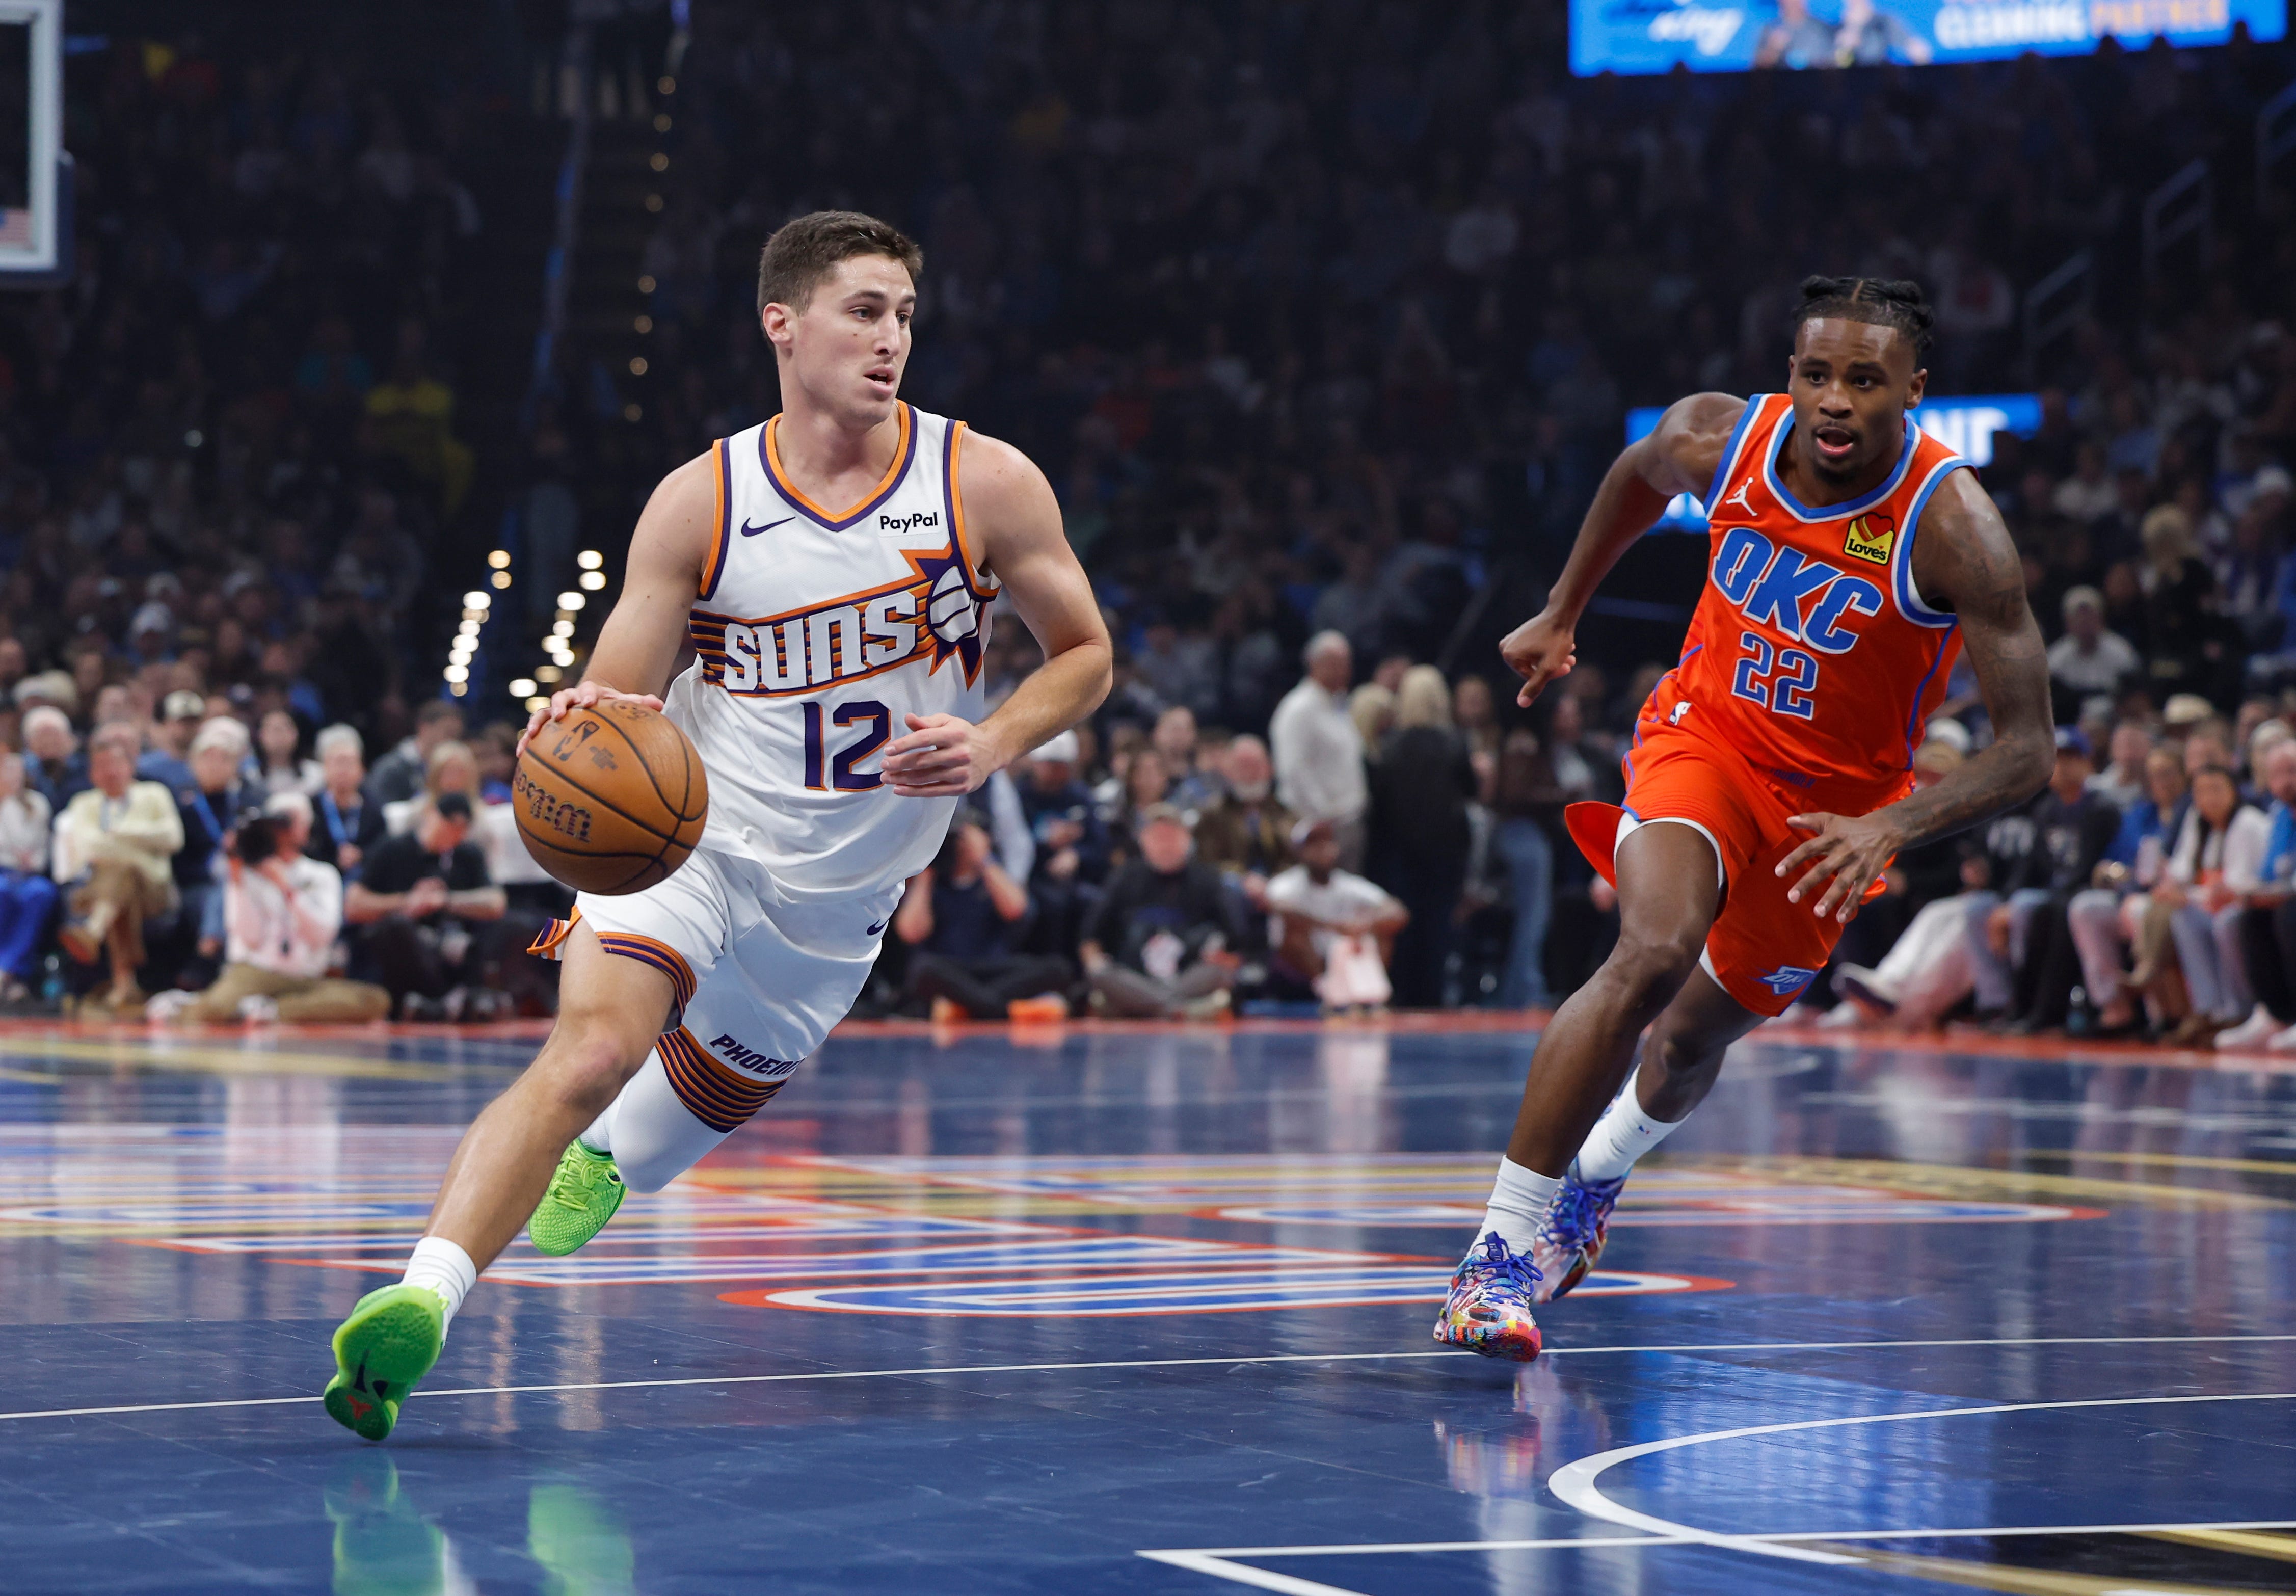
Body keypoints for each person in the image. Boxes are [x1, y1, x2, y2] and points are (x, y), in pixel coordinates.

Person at [322, 210, 1111, 1441]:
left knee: (690, 1108)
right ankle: (418, 1302)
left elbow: (1087, 654)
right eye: (862, 310)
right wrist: (573, 725)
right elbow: (617, 699)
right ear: (780, 325)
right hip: (688, 845)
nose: (890, 337)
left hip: (847, 893)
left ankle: (619, 1164)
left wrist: (997, 737)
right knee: (585, 1054)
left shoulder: (985, 482)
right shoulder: (703, 499)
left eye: (903, 314)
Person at [1436, 277, 2052, 1362]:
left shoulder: (1954, 527)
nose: (1834, 399)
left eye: (1865, 380)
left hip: (1834, 823)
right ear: (1791, 375)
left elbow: (2028, 752)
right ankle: (1494, 1259)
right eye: (1817, 372)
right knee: (1654, 951)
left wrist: (1893, 828)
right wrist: (1563, 608)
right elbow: (1636, 475)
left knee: (1688, 1042)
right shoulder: (1722, 439)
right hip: (1703, 744)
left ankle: (1598, 1179)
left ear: (1913, 390)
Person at [182, 791, 390, 1024]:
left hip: (306, 979)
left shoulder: (322, 874)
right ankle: (246, 1007)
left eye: (291, 822)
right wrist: (237, 877)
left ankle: (270, 1010)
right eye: (278, 823)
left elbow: (323, 936)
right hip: (255, 973)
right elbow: (250, 937)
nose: (283, 831)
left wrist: (288, 890)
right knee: (215, 1010)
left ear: (306, 827)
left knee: (374, 1000)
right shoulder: (246, 874)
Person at [52, 723, 185, 1014]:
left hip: (154, 887)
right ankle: (126, 986)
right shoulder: (84, 802)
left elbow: (174, 838)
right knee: (119, 884)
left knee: (119, 876)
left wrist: (118, 836)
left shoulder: (154, 794)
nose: (111, 772)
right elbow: (89, 848)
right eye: (102, 766)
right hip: (100, 887)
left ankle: (93, 933)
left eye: (117, 764)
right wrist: (142, 845)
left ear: (131, 767)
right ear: (92, 773)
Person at [1366, 664, 1478, 1007]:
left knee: (1404, 925)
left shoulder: (1390, 746)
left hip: (1398, 851)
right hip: (1445, 852)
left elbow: (1379, 804)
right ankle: (1433, 995)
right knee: (1438, 926)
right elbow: (1471, 792)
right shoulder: (1455, 744)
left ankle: (1400, 993)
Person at [894, 808, 1070, 1021]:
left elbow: (1017, 910)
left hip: (995, 968)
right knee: (921, 970)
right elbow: (910, 932)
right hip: (950, 969)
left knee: (1058, 968)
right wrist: (927, 866)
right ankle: (1006, 1010)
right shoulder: (933, 880)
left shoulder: (992, 873)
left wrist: (984, 859)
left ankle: (965, 1007)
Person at [343, 793, 505, 1018]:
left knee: (504, 927)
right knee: (395, 927)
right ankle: (441, 1001)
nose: (451, 834)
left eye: (459, 829)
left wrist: (446, 901)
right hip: (401, 956)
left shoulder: (467, 855)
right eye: (447, 825)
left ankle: (464, 998)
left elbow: (496, 903)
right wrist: (407, 902)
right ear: (431, 815)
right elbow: (353, 904)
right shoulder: (393, 849)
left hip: (445, 950)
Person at [1080, 804, 1240, 1018]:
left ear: (1186, 840)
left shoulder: (1207, 879)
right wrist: (1096, 963)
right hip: (1134, 978)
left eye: (1171, 837)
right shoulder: (1125, 877)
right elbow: (1090, 937)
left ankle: (1146, 1007)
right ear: (1143, 840)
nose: (1166, 845)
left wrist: (1220, 955)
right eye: (1158, 837)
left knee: (1219, 974)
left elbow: (1235, 939)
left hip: (1187, 978)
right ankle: (1178, 1010)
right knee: (1101, 974)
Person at [2154, 764, 2267, 1044]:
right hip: (2211, 906)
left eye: (2216, 790)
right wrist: (2173, 887)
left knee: (2226, 922)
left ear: (2234, 792)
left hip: (2249, 908)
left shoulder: (2249, 822)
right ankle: (2208, 1010)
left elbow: (2236, 887)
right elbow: (2182, 869)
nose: (2209, 799)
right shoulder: (2198, 821)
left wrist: (2188, 894)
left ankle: (2240, 1009)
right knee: (2184, 918)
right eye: (2201, 792)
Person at [1265, 818, 1409, 1010]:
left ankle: (1372, 995)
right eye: (1314, 845)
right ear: (1300, 851)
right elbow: (1278, 907)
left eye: (1327, 843)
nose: (1323, 850)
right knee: (1296, 930)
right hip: (1302, 964)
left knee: (1380, 928)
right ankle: (1325, 990)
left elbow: (1397, 911)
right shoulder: (1288, 884)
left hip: (1343, 957)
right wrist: (1334, 926)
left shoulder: (1349, 884)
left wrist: (1365, 924)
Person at [2219, 740, 2296, 1050]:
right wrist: (2246, 892)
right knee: (2251, 916)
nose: (2285, 782)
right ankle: (2276, 1013)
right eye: (2277, 774)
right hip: (2286, 899)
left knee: (2288, 915)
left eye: (2292, 771)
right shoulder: (2279, 816)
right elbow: (2268, 876)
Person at [1269, 631, 1367, 869]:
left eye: (1346, 664)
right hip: (1320, 828)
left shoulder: (1339, 704)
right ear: (1314, 664)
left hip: (1350, 822)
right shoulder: (1298, 709)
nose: (1343, 671)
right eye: (1335, 664)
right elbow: (1293, 770)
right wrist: (1322, 818)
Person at [175, 717, 254, 972]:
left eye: (224, 759)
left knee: (232, 886)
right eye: (208, 758)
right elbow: (177, 862)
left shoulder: (249, 798)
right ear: (193, 763)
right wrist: (210, 869)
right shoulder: (183, 804)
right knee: (222, 892)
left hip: (248, 878)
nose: (215, 766)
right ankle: (226, 966)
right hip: (200, 883)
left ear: (236, 765)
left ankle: (210, 948)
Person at [1192, 734, 1297, 914]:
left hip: (1281, 888)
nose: (1250, 774)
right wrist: (1245, 880)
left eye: (1256, 765)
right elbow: (1207, 862)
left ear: (1270, 768)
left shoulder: (1287, 813)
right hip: (1233, 890)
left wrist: (1275, 885)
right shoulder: (1211, 815)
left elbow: (1297, 859)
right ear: (1228, 770)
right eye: (1242, 766)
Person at [0, 749, 57, 1002]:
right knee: (3, 891)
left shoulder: (37, 804)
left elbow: (42, 847)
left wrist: (30, 861)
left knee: (40, 893)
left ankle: (9, 970)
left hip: (28, 873)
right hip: (3, 871)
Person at [308, 725, 386, 882]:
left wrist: (361, 855)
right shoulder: (310, 808)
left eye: (349, 763)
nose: (343, 770)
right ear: (324, 767)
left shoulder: (373, 809)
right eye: (338, 762)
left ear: (362, 770)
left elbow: (383, 848)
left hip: (366, 880)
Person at [2046, 587, 2140, 717]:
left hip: (2113, 720)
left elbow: (2133, 695)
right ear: (2068, 622)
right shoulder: (2056, 658)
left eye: (2090, 615)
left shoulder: (2121, 652)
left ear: (2101, 618)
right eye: (2078, 617)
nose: (2084, 621)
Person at [366, 699, 463, 809]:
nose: (452, 742)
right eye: (448, 733)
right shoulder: (391, 769)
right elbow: (379, 813)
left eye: (456, 736)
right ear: (425, 728)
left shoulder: (452, 770)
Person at [21, 706, 87, 813]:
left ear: (69, 739)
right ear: (29, 742)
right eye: (42, 735)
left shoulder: (85, 768)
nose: (49, 741)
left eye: (54, 734)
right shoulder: (22, 771)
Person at [136, 690, 205, 791]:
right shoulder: (146, 767)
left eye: (194, 722)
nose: (189, 728)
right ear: (167, 723)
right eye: (183, 722)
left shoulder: (212, 765)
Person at [256, 709, 320, 797]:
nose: (279, 734)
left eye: (285, 728)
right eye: (273, 729)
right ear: (261, 736)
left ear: (296, 734)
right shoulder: (251, 777)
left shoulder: (316, 774)